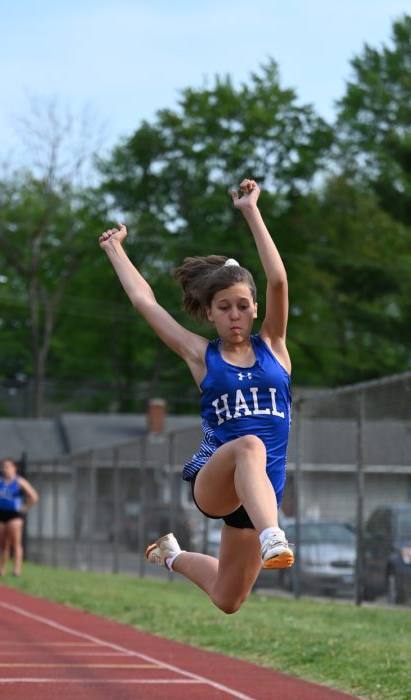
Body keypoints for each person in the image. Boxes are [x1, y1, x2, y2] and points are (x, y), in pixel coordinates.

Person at [98, 178, 294, 615]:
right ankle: (273, 537)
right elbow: (146, 304)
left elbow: (277, 279)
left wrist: (251, 211)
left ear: (255, 308)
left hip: (261, 494)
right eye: (223, 308)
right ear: (209, 313)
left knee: (228, 599)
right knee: (249, 445)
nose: (235, 315)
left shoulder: (275, 349)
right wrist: (116, 250)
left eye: (242, 305)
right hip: (218, 483)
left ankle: (169, 554)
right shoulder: (203, 357)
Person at [0, 458, 39, 577]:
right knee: (3, 544)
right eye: (4, 467)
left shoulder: (19, 481)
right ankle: (2, 569)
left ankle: (17, 570)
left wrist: (25, 507)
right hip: (1, 514)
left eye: (8, 466)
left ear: (14, 468)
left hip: (14, 515)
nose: (5, 469)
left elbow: (34, 496)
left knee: (15, 543)